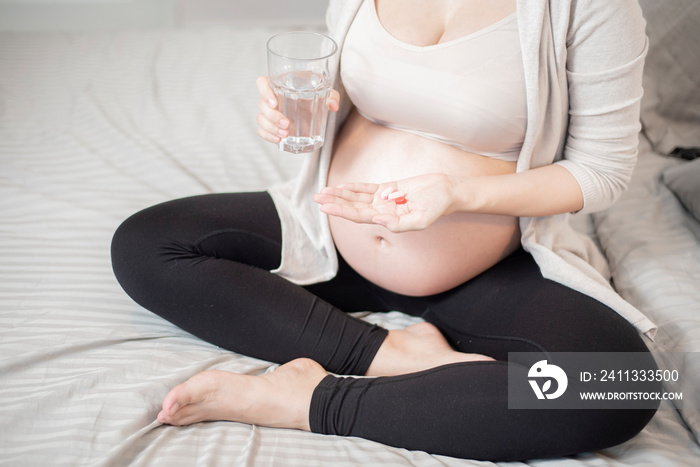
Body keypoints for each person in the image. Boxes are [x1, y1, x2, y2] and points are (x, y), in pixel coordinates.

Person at [111, 0, 659, 461]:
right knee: (146, 244)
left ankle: (309, 401)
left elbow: (602, 172)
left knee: (616, 385)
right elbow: (351, 98)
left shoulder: (591, 7)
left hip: (482, 267)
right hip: (330, 231)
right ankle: (390, 354)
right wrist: (296, 114)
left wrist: (457, 194)